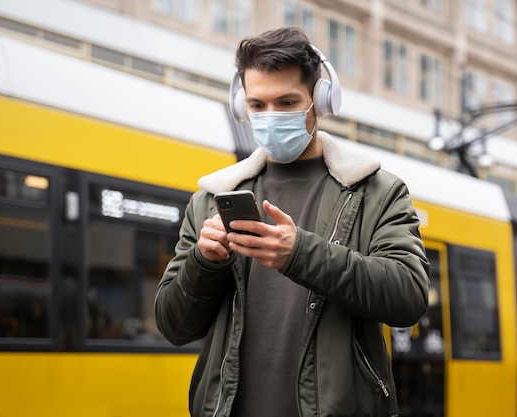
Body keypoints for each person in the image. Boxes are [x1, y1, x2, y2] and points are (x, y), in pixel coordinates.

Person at [155, 27, 430, 417]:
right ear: (241, 105)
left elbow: (408, 297)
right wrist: (204, 263)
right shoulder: (211, 199)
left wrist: (299, 254)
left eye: (287, 102)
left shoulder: (378, 192)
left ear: (319, 100)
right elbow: (173, 326)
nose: (270, 117)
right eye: (257, 105)